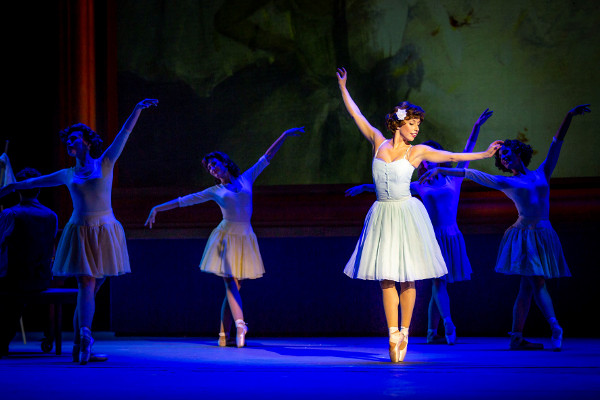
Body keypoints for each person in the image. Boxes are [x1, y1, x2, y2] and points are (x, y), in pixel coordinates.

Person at [336, 67, 502, 362]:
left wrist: (484, 154)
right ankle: (392, 333)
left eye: (418, 125)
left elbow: (452, 156)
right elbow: (356, 114)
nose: (416, 129)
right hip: (383, 214)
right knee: (386, 277)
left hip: (407, 214)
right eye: (412, 123)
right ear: (399, 123)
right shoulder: (377, 141)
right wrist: (343, 87)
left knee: (408, 278)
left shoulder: (417, 152)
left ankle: (405, 331)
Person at [419, 104, 590, 351]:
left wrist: (569, 116)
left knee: (527, 288)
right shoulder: (505, 182)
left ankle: (516, 337)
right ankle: (555, 326)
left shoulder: (543, 172)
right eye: (501, 157)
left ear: (519, 153)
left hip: (544, 233)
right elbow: (471, 173)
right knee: (537, 282)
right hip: (524, 236)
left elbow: (557, 143)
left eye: (507, 153)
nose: (504, 158)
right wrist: (441, 167)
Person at [0, 99, 158, 364]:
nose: (69, 143)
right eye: (68, 140)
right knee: (86, 283)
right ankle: (85, 336)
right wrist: (11, 186)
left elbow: (124, 133)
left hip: (105, 230)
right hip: (81, 231)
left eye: (74, 138)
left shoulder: (105, 162)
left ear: (87, 141)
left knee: (90, 289)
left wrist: (137, 110)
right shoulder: (67, 173)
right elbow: (35, 181)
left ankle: (79, 345)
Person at [145, 127, 304, 348]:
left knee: (235, 287)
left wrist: (284, 135)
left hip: (245, 236)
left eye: (214, 164)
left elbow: (267, 157)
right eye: (209, 168)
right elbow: (185, 200)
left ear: (225, 162)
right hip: (225, 238)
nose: (211, 169)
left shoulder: (246, 178)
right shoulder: (215, 191)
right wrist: (157, 208)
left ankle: (223, 334)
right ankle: (240, 325)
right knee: (230, 282)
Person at [0, 168, 58, 357]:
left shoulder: (11, 214)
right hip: (41, 278)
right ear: (39, 188)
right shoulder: (51, 215)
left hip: (14, 278)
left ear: (17, 189)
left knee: (11, 294)